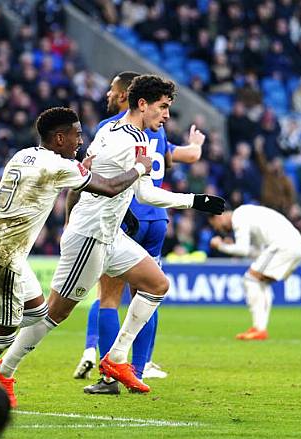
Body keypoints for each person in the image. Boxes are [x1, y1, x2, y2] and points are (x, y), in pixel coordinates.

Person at [0, 75, 224, 404]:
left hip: (110, 235)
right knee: (55, 313)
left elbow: (143, 192)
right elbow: (96, 179)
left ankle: (116, 357)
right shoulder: (121, 139)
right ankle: (5, 368)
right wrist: (185, 197)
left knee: (157, 285)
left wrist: (195, 201)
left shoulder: (124, 133)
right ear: (143, 104)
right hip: (91, 235)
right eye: (163, 107)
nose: (167, 115)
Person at [0, 107, 152, 402]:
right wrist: (140, 167)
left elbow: (68, 180)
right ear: (59, 138)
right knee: (3, 337)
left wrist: (80, 169)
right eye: (76, 135)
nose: (80, 141)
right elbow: (110, 188)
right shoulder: (59, 166)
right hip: (1, 259)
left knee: (36, 312)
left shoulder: (23, 155)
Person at [73, 71, 207, 393]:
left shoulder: (114, 129)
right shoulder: (154, 134)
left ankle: (109, 377)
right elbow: (184, 157)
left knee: (108, 298)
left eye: (111, 91)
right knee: (148, 294)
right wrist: (197, 147)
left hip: (127, 218)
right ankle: (140, 370)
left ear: (126, 97)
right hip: (158, 221)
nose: (107, 95)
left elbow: (88, 173)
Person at [209, 205, 301, 340]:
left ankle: (259, 328)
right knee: (260, 281)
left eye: (215, 225)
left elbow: (242, 251)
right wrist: (230, 246)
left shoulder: (238, 216)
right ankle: (259, 329)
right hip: (295, 245)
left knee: (250, 279)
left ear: (218, 216)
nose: (217, 229)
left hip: (284, 245)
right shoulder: (249, 214)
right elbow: (257, 253)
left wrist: (221, 246)